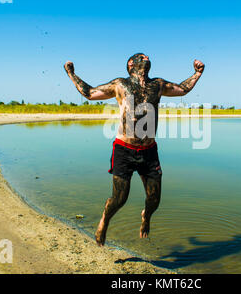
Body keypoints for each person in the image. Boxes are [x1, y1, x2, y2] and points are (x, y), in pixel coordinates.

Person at [64, 53, 205, 246]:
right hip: (124, 150)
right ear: (131, 63)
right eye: (142, 56)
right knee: (120, 198)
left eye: (148, 56)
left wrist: (197, 73)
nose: (147, 57)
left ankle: (146, 216)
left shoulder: (158, 85)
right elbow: (89, 93)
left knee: (154, 198)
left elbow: (182, 90)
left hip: (149, 151)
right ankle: (105, 219)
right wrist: (71, 73)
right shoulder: (120, 84)